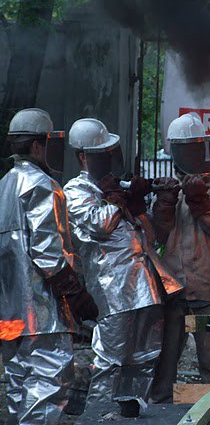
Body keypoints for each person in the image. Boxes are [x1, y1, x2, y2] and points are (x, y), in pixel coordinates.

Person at [63, 118, 181, 417]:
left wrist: (143, 202)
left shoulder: (115, 189)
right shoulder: (76, 190)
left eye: (110, 152)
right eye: (101, 154)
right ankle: (99, 417)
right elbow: (99, 224)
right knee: (111, 361)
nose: (108, 160)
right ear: (83, 157)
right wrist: (116, 198)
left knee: (144, 358)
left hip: (147, 288)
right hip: (114, 292)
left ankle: (131, 416)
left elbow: (151, 237)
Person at [0, 108, 98, 424]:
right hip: (42, 319)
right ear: (39, 145)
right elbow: (48, 255)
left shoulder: (3, 186)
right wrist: (78, 297)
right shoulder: (42, 185)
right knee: (47, 391)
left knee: (20, 390)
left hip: (10, 316)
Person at [150, 114, 210, 403]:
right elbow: (159, 236)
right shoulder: (172, 187)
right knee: (165, 363)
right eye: (184, 150)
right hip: (176, 292)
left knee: (209, 362)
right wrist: (164, 203)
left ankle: (204, 406)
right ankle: (166, 404)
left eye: (192, 149)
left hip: (204, 294)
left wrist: (200, 201)